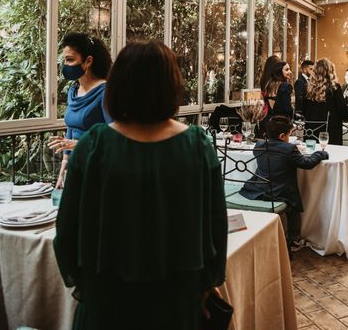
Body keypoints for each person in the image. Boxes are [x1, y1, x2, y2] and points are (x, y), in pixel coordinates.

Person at [54, 41, 227, 329]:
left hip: (106, 305)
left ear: (119, 85)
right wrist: (208, 283)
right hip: (177, 305)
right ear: (172, 85)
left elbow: (67, 228)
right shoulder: (197, 146)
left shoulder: (93, 146)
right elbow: (216, 226)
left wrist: (85, 283)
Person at [240, 116, 328, 250]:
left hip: (258, 189)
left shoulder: (259, 145)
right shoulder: (289, 149)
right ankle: (294, 239)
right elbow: (307, 163)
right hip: (278, 193)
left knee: (289, 198)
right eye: (290, 134)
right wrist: (320, 154)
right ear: (282, 136)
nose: (290, 137)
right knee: (293, 207)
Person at [49, 33, 112, 189]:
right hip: (77, 168)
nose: (66, 65)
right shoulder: (74, 90)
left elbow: (115, 138)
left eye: (70, 59)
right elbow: (71, 129)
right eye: (64, 60)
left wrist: (77, 144)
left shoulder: (106, 92)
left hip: (99, 170)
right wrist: (63, 172)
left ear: (88, 61)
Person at [302, 58, 348, 145]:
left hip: (311, 133)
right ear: (330, 71)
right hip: (330, 133)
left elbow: (304, 111)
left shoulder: (308, 88)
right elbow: (342, 109)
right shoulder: (334, 88)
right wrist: (346, 118)